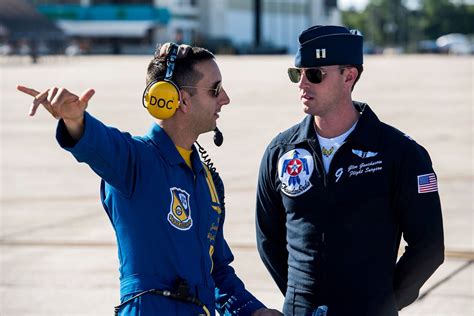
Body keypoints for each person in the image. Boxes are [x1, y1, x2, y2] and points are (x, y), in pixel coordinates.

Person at [18, 43, 281, 316]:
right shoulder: (136, 160)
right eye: (215, 89)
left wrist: (252, 310)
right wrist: (75, 120)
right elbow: (99, 143)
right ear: (180, 100)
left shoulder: (207, 180)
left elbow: (215, 271)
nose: (224, 98)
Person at [255, 25, 445, 316]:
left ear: (349, 76)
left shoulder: (399, 153)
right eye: (298, 73)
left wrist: (385, 302)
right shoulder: (281, 151)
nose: (302, 84)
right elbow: (269, 239)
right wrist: (301, 295)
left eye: (315, 74)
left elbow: (428, 246)